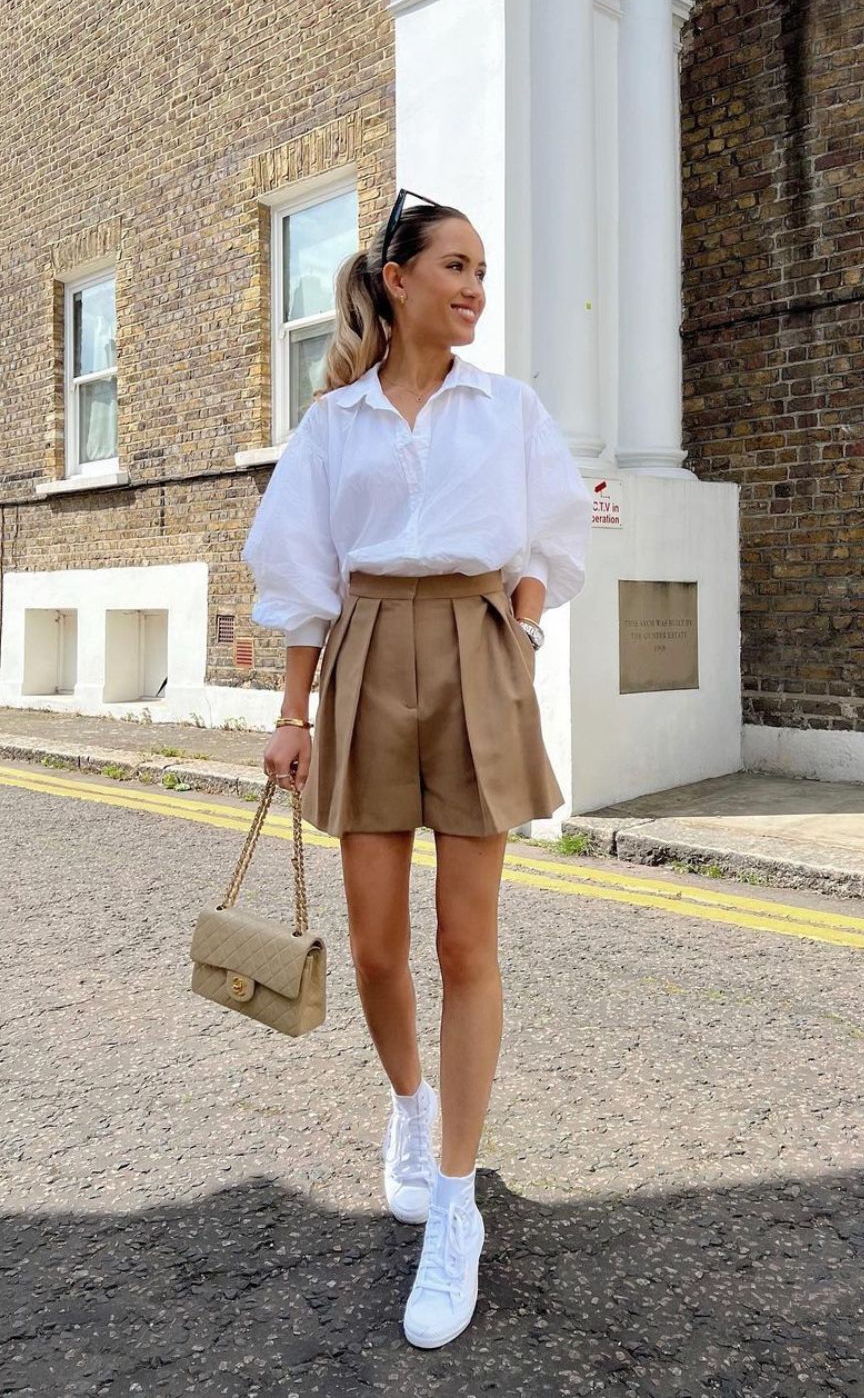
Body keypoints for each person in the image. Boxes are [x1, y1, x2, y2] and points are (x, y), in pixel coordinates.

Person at [241, 189, 592, 1349]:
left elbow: (552, 536)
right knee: (380, 944)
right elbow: (300, 578)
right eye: (453, 265)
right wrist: (291, 715)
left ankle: (456, 1202)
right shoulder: (333, 424)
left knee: (464, 944)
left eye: (481, 269)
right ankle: (410, 1106)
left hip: (476, 650)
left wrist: (523, 636)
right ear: (395, 280)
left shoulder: (510, 409)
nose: (473, 287)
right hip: (367, 650)